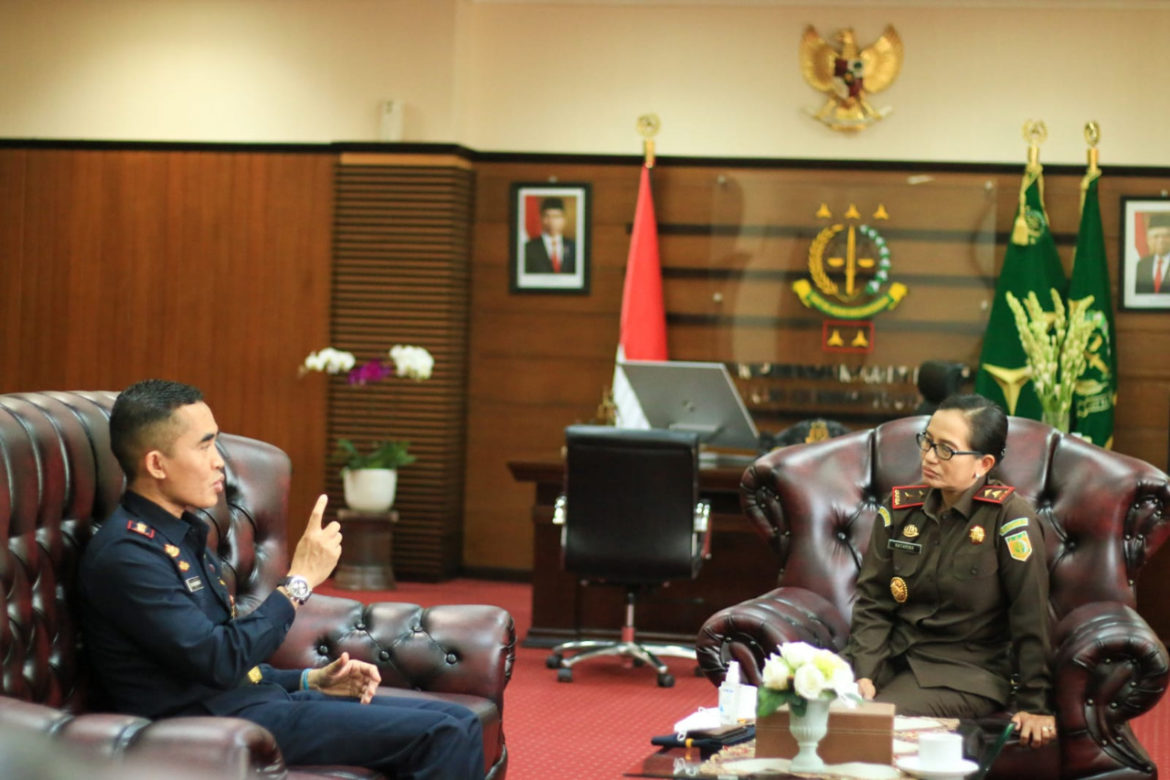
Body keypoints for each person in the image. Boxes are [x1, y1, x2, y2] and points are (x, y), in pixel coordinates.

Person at [79, 379, 484, 779]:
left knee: (461, 721)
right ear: (156, 464)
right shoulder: (128, 555)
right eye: (204, 446)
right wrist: (298, 582)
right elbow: (219, 660)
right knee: (442, 732)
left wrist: (310, 679)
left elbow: (221, 660)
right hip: (211, 728)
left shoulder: (181, 533)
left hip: (250, 704)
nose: (219, 461)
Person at [844, 393, 1056, 748]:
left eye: (946, 449)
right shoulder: (899, 510)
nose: (929, 456)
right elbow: (874, 601)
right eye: (927, 441)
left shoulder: (1009, 520)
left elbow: (1030, 614)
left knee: (865, 726)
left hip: (963, 673)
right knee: (804, 701)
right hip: (892, 657)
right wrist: (863, 671)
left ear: (983, 463)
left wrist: (1036, 704)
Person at [523, 196, 576, 274]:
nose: (552, 221)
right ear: (541, 219)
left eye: (556, 216)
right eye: (547, 216)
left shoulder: (574, 247)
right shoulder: (528, 248)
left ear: (564, 219)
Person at [1135, 213, 1170, 294]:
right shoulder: (1141, 265)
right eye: (1156, 236)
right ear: (1148, 240)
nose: (1161, 240)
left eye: (1166, 236)